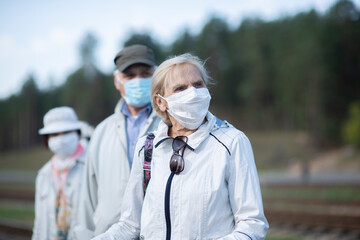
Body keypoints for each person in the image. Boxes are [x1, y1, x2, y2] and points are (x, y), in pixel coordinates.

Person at [94, 53, 269, 239]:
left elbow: (252, 224)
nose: (193, 93)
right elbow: (130, 226)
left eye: (198, 84)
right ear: (161, 102)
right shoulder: (147, 147)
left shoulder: (232, 142)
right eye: (180, 88)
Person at [74, 44, 162, 239]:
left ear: (156, 76)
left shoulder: (170, 123)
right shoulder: (102, 132)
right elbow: (88, 197)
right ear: (117, 80)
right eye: (130, 75)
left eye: (145, 73)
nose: (138, 80)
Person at [32, 106, 86, 240]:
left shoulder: (91, 166)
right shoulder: (43, 175)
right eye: (55, 134)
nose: (61, 139)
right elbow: (39, 223)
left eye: (66, 132)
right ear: (47, 139)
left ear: (77, 133)